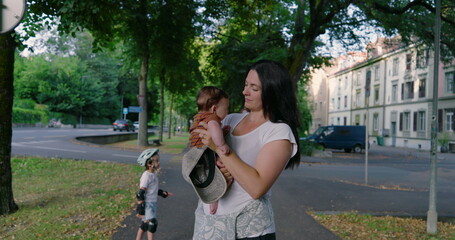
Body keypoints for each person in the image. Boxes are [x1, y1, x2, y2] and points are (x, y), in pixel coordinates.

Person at [193, 60, 301, 240]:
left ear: (271, 92)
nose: (245, 91)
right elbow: (201, 161)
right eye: (245, 85)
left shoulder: (278, 131)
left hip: (249, 231)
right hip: (210, 226)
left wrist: (221, 150)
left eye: (254, 88)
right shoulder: (230, 120)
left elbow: (256, 187)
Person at [189, 86, 230, 215]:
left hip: (196, 151)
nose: (228, 112)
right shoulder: (212, 119)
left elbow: (211, 132)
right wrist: (221, 145)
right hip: (204, 153)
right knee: (217, 175)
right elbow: (213, 129)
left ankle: (213, 196)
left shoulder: (200, 117)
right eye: (226, 109)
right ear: (214, 109)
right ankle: (215, 198)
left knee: (208, 173)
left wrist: (223, 131)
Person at [135, 148, 173, 240]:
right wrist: (140, 206)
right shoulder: (146, 176)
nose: (159, 163)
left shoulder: (154, 173)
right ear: (149, 164)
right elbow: (140, 192)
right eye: (157, 161)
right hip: (148, 204)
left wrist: (162, 193)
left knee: (145, 225)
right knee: (152, 224)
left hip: (153, 203)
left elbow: (153, 189)